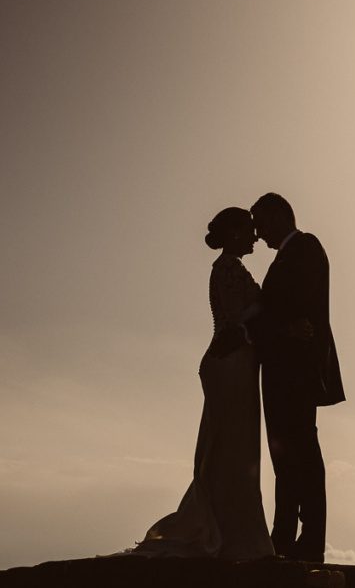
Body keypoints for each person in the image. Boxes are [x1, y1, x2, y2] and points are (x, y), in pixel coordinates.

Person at [132, 207, 275, 559]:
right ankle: (230, 532)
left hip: (236, 362)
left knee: (235, 447)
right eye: (250, 231)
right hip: (230, 362)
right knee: (230, 446)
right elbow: (232, 320)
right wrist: (263, 310)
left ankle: (235, 527)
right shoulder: (227, 268)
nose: (256, 237)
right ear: (236, 234)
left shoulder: (231, 268)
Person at [248, 193, 345, 563]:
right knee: (284, 454)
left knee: (301, 451)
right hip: (281, 369)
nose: (257, 234)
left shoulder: (304, 247)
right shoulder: (286, 256)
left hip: (295, 369)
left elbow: (295, 308)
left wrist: (279, 327)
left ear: (277, 217)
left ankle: (307, 539)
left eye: (260, 223)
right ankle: (285, 535)